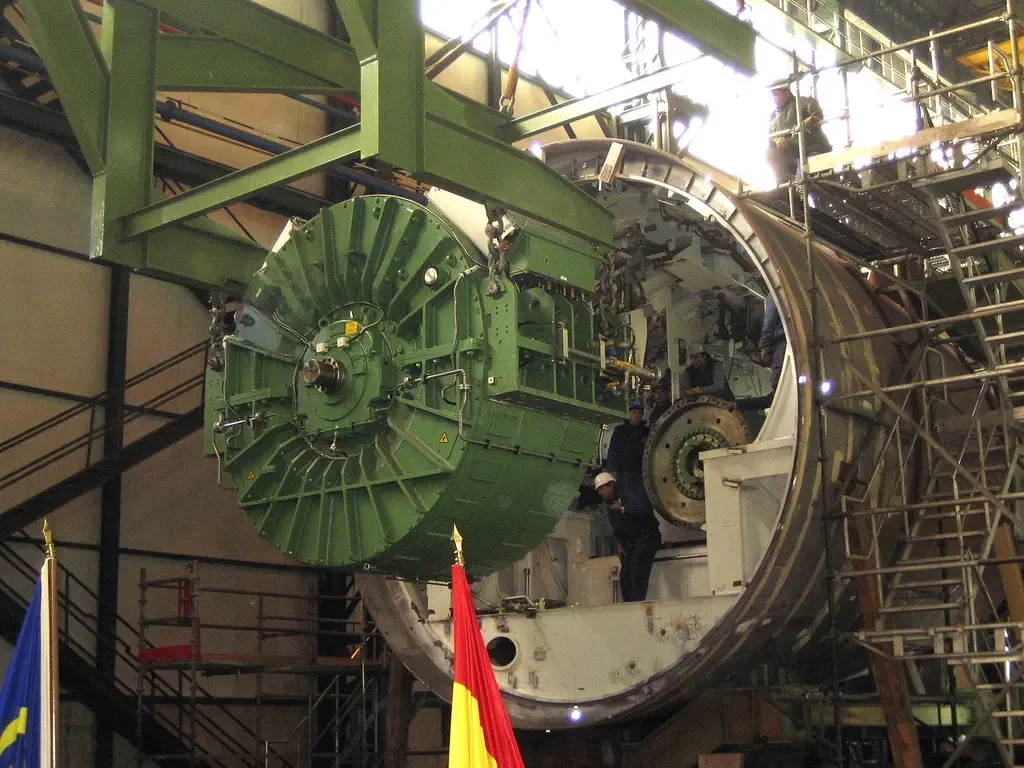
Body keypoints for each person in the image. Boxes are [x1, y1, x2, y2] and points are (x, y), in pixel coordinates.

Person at [593, 472, 661, 602]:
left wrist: (623, 509)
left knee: (637, 569)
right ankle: (629, 606)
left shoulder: (629, 493)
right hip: (631, 541)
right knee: (625, 576)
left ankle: (636, 604)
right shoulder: (610, 505)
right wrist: (619, 542)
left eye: (601, 488)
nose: (600, 493)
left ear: (611, 485)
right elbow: (617, 526)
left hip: (647, 536)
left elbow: (644, 510)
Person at [766, 81, 831, 183]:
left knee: (802, 180)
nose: (773, 99)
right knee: (770, 153)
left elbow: (817, 115)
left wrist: (808, 122)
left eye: (775, 95)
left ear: (786, 93)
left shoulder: (803, 102)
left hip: (811, 151)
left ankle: (799, 187)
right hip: (792, 156)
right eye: (772, 95)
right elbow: (771, 141)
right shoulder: (773, 117)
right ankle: (782, 183)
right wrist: (777, 140)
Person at [759, 294, 786, 390]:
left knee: (779, 382)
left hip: (782, 343)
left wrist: (764, 347)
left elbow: (769, 321)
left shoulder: (774, 295)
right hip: (793, 341)